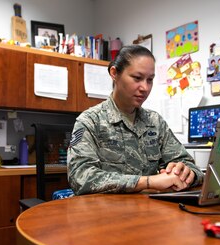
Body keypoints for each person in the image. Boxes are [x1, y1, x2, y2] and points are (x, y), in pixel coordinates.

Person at [67, 45, 204, 195]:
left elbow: (192, 167)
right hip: (105, 213)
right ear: (114, 73)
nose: (145, 87)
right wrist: (148, 182)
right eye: (137, 78)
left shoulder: (155, 122)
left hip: (150, 210)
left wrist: (185, 172)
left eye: (150, 80)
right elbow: (80, 177)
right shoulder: (90, 121)